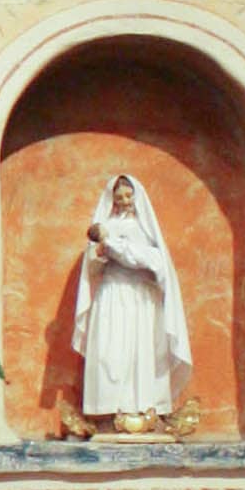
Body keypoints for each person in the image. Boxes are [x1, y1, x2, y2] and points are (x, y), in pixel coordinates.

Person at [74, 173, 193, 426]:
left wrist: (116, 246)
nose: (125, 201)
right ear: (112, 200)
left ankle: (145, 410)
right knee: (112, 351)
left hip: (141, 296)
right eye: (119, 197)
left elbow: (153, 261)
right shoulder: (105, 225)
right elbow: (92, 268)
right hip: (113, 294)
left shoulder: (145, 228)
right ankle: (111, 412)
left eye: (129, 196)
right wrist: (99, 253)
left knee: (142, 350)